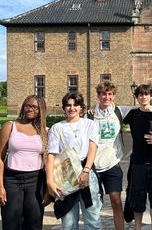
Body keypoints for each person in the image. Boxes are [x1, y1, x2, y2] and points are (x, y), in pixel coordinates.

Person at [46, 92, 102, 230]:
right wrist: (49, 181)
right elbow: (51, 155)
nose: (72, 108)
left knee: (92, 220)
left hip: (86, 170)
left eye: (75, 105)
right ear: (64, 108)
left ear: (81, 107)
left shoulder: (89, 124)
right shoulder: (57, 128)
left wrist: (86, 171)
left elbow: (92, 148)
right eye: (68, 105)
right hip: (66, 173)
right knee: (69, 223)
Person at [0, 95, 49, 230]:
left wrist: (48, 190)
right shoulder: (10, 126)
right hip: (11, 180)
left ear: (41, 110)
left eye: (34, 107)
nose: (30, 109)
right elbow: (0, 157)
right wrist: (0, 186)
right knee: (10, 222)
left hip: (36, 180)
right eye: (27, 105)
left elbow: (49, 162)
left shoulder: (46, 132)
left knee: (34, 222)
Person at [123, 84, 152, 230]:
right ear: (137, 97)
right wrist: (92, 112)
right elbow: (115, 118)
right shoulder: (133, 114)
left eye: (146, 94)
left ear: (151, 96)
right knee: (137, 197)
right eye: (140, 95)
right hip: (138, 161)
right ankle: (137, 228)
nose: (143, 97)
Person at [87, 81, 124, 230]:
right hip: (94, 165)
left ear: (113, 96)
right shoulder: (89, 115)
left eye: (110, 94)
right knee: (94, 205)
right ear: (98, 95)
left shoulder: (119, 111)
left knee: (116, 201)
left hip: (112, 163)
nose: (106, 97)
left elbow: (142, 107)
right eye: (103, 94)